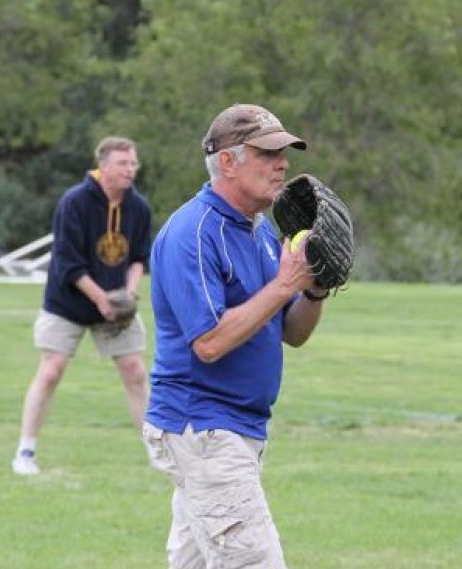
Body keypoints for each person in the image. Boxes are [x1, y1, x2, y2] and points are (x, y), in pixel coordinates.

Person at [143, 104, 330, 568]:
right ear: (228, 161)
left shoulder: (262, 233)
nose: (282, 164)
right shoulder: (193, 232)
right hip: (204, 427)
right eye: (267, 153)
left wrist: (315, 289)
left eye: (283, 152)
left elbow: (292, 332)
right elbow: (208, 344)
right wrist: (285, 283)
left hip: (235, 427)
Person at [12, 136, 152, 476]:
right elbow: (68, 264)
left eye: (133, 163)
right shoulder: (74, 202)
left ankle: (157, 451)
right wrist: (100, 299)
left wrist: (129, 294)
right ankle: (25, 453)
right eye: (123, 164)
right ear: (103, 167)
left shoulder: (139, 207)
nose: (130, 170)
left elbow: (138, 258)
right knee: (51, 371)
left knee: (135, 371)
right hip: (69, 300)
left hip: (116, 302)